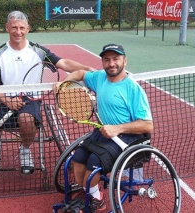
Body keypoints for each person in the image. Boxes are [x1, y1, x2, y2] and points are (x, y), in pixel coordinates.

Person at [0, 10, 94, 174]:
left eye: (22, 28)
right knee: (17, 119)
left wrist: (87, 69)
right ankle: (24, 146)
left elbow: (63, 63)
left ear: (28, 29)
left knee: (26, 119)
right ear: (7, 27)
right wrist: (8, 101)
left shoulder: (38, 51)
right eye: (14, 27)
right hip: (5, 102)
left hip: (32, 101)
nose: (18, 32)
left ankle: (25, 150)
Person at [53, 44, 153, 212]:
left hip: (129, 137)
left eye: (116, 59)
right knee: (77, 158)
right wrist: (63, 83)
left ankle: (92, 197)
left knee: (93, 161)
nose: (111, 63)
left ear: (124, 61)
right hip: (103, 133)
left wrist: (118, 129)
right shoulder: (99, 77)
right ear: (103, 62)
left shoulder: (133, 88)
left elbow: (148, 125)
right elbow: (80, 73)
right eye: (107, 59)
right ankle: (92, 195)